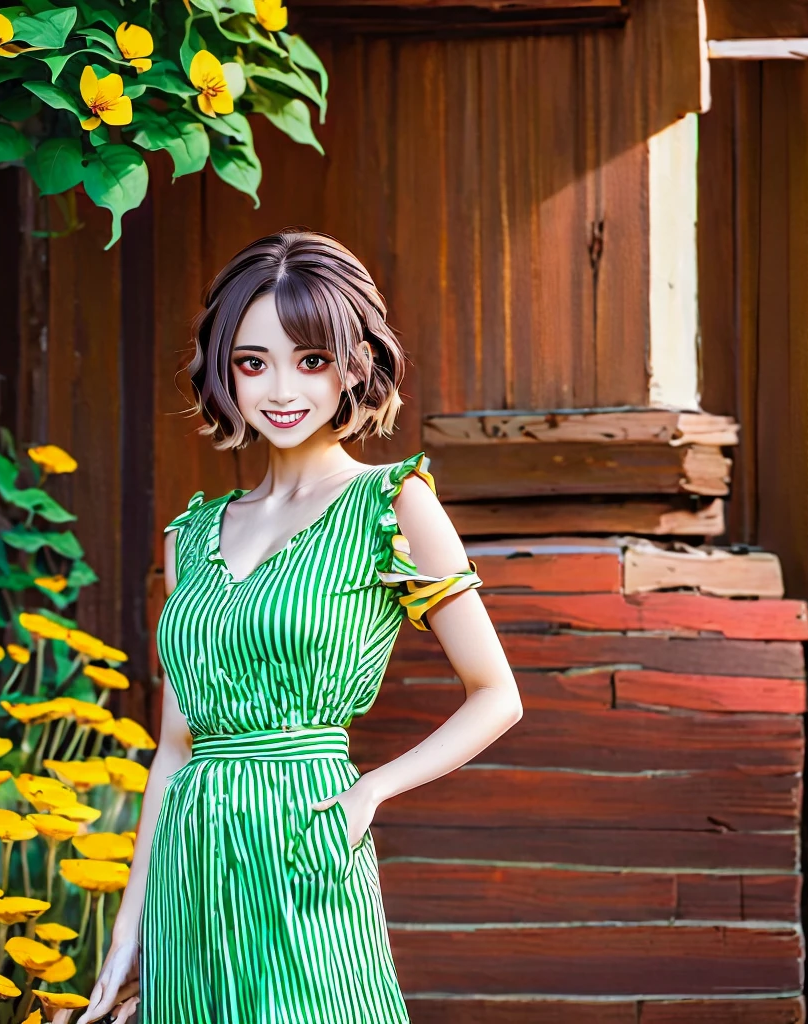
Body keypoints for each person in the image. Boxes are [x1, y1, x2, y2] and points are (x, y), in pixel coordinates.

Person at [75, 230, 523, 1024]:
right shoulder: (193, 536)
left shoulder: (392, 504)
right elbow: (176, 746)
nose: (282, 388)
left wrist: (371, 791)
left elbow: (496, 695)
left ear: (355, 364)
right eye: (253, 363)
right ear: (224, 373)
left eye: (311, 360)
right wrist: (125, 933)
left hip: (308, 835)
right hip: (191, 859)